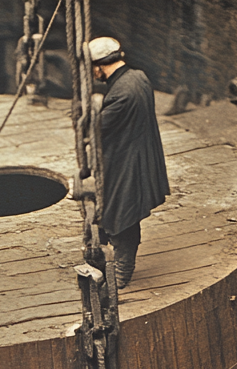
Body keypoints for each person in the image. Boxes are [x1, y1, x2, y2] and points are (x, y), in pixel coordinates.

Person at [89, 38, 169, 290]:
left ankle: (123, 271)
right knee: (120, 210)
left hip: (128, 163)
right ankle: (109, 258)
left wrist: (91, 110)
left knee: (122, 214)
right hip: (137, 154)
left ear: (100, 66)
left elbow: (96, 129)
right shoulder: (138, 77)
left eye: (93, 68)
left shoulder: (122, 93)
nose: (92, 74)